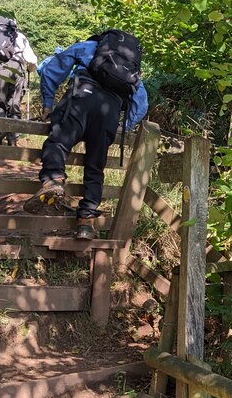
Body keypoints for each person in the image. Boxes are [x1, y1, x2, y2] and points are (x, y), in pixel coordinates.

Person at [24, 30, 149, 240]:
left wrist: (47, 104)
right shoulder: (130, 68)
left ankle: (54, 181)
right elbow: (141, 104)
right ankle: (86, 222)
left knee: (58, 142)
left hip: (81, 97)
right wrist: (122, 126)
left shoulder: (90, 47)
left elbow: (52, 69)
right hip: (109, 111)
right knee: (95, 165)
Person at [0, 16, 38, 146]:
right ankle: (13, 139)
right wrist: (30, 70)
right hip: (17, 69)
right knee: (14, 105)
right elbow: (32, 60)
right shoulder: (19, 36)